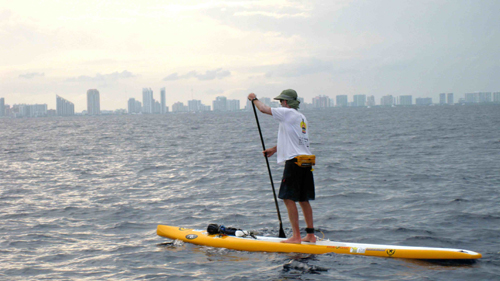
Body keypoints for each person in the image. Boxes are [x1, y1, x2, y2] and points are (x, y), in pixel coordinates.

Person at [248, 89, 316, 244]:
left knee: (287, 198)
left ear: (286, 102)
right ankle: (310, 235)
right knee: (303, 199)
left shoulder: (287, 113)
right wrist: (274, 149)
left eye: (280, 101)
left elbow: (263, 109)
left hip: (294, 163)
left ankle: (296, 237)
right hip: (305, 161)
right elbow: (293, 140)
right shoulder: (301, 117)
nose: (280, 104)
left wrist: (254, 99)